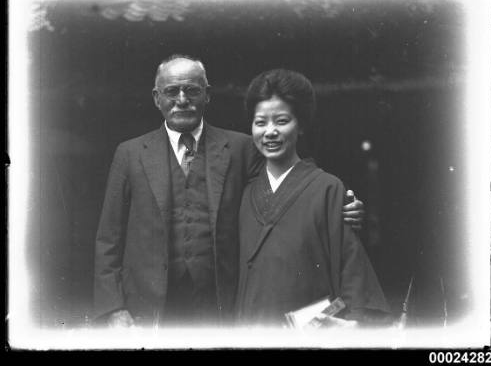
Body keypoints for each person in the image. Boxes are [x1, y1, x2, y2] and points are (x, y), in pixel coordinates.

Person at [93, 55, 366, 328]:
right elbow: (109, 239)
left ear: (207, 95)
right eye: (171, 91)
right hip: (148, 307)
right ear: (156, 97)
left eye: (192, 90)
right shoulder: (130, 154)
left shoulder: (241, 148)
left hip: (221, 305)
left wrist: (338, 201)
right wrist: (114, 308)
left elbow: (288, 182)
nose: (182, 99)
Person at [235, 69, 390, 327]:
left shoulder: (328, 188)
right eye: (260, 122)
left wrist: (350, 325)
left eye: (282, 121)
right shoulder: (242, 191)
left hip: (307, 332)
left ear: (302, 125)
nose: (270, 131)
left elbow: (351, 273)